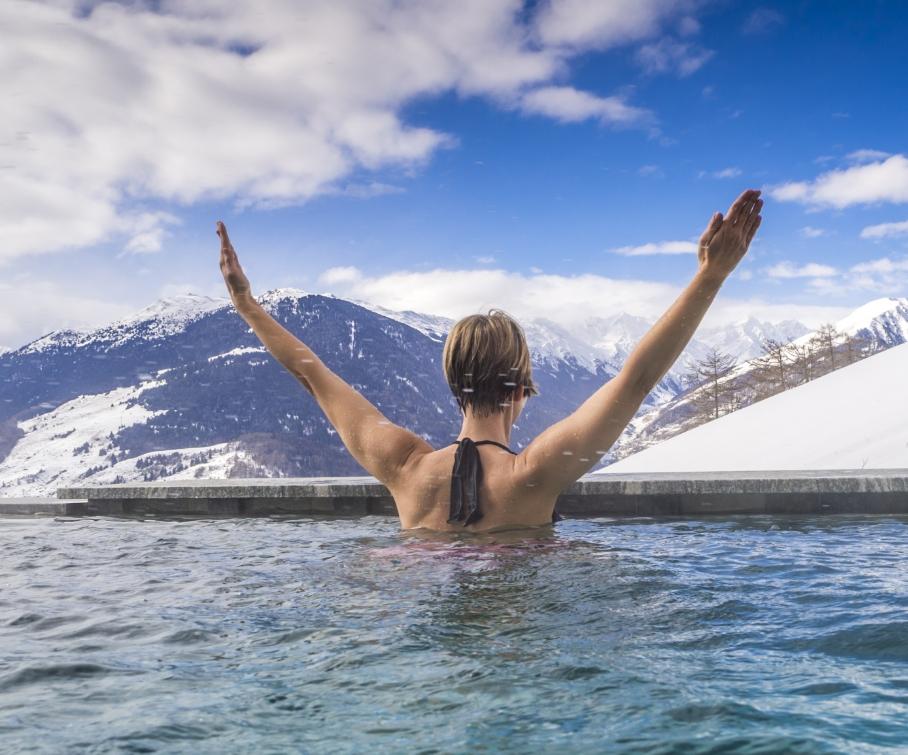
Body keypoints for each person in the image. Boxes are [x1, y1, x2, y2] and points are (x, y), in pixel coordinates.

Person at [217, 189, 762, 532]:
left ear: (453, 385)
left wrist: (246, 303)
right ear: (521, 388)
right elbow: (637, 378)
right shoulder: (534, 474)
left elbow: (313, 376)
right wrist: (711, 275)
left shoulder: (403, 467)